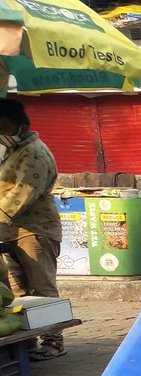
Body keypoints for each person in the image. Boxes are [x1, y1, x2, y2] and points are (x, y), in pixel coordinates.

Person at [0, 99, 64, 359]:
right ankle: (26, 340)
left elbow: (22, 193)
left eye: (4, 127)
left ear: (20, 125)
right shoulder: (13, 151)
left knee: (42, 288)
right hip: (11, 231)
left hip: (35, 230)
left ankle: (54, 341)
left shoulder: (34, 152)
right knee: (17, 292)